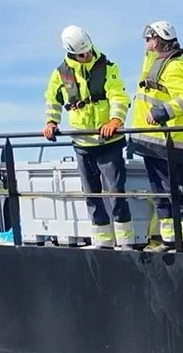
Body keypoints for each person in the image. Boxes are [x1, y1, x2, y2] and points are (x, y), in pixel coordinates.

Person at [43, 26, 134, 250]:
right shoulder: (60, 74)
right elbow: (53, 100)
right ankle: (103, 243)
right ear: (71, 53)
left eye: (88, 51)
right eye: (82, 54)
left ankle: (126, 244)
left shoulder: (108, 68)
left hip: (108, 142)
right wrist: (51, 122)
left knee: (116, 193)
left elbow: (118, 96)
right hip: (82, 144)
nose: (87, 56)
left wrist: (115, 121)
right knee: (91, 195)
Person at [132, 21, 183, 252]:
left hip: (170, 141)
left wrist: (162, 112)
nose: (145, 42)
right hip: (152, 141)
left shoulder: (176, 67)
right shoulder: (154, 62)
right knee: (160, 192)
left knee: (177, 191)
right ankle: (169, 239)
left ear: (158, 39)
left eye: (148, 38)